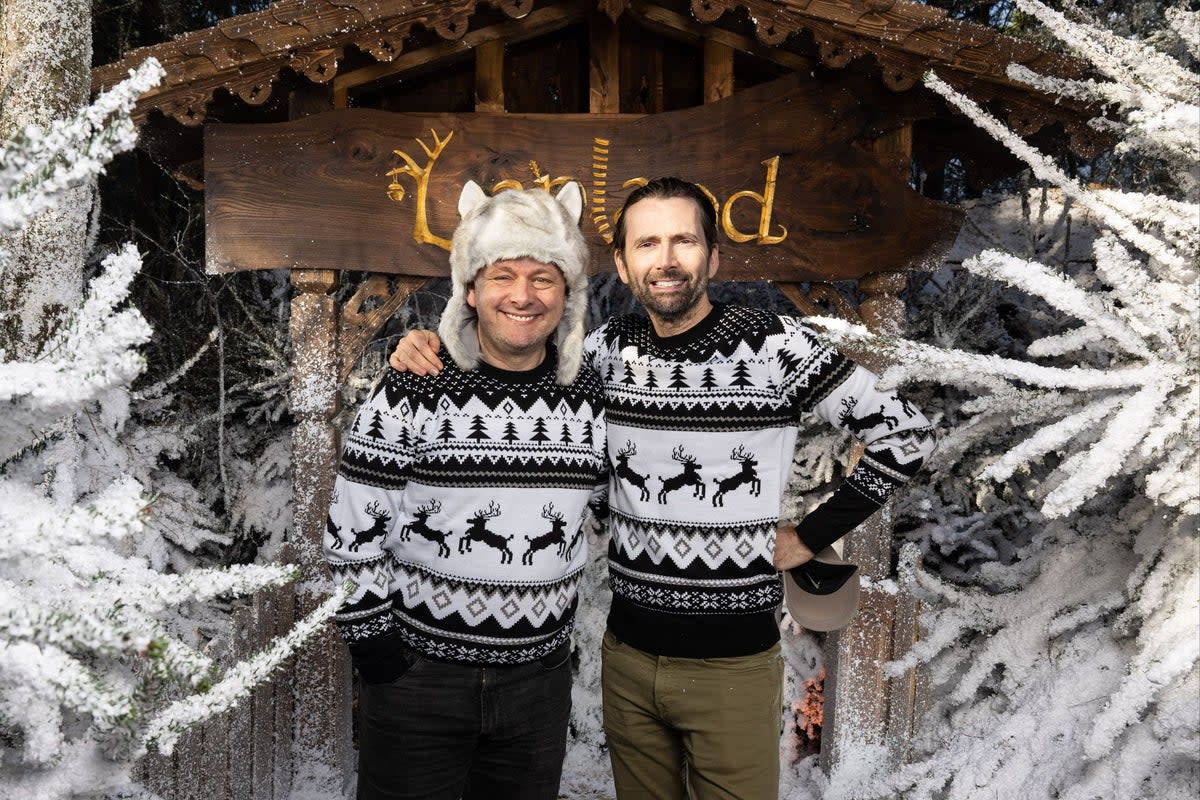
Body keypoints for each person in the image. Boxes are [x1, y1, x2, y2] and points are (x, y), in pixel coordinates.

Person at [388, 177, 935, 799]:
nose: (667, 260)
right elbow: (507, 373)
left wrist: (812, 535)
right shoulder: (599, 355)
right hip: (628, 661)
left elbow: (906, 434)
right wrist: (431, 344)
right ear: (621, 264)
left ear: (714, 257)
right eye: (648, 243)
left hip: (734, 666)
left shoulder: (776, 347)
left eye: (685, 241)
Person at [325, 180, 608, 800]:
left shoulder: (592, 396)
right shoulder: (413, 385)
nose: (523, 296)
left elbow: (625, 501)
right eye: (503, 275)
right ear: (471, 290)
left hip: (537, 687)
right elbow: (353, 525)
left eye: (544, 277)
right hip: (420, 681)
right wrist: (378, 652)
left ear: (568, 293)